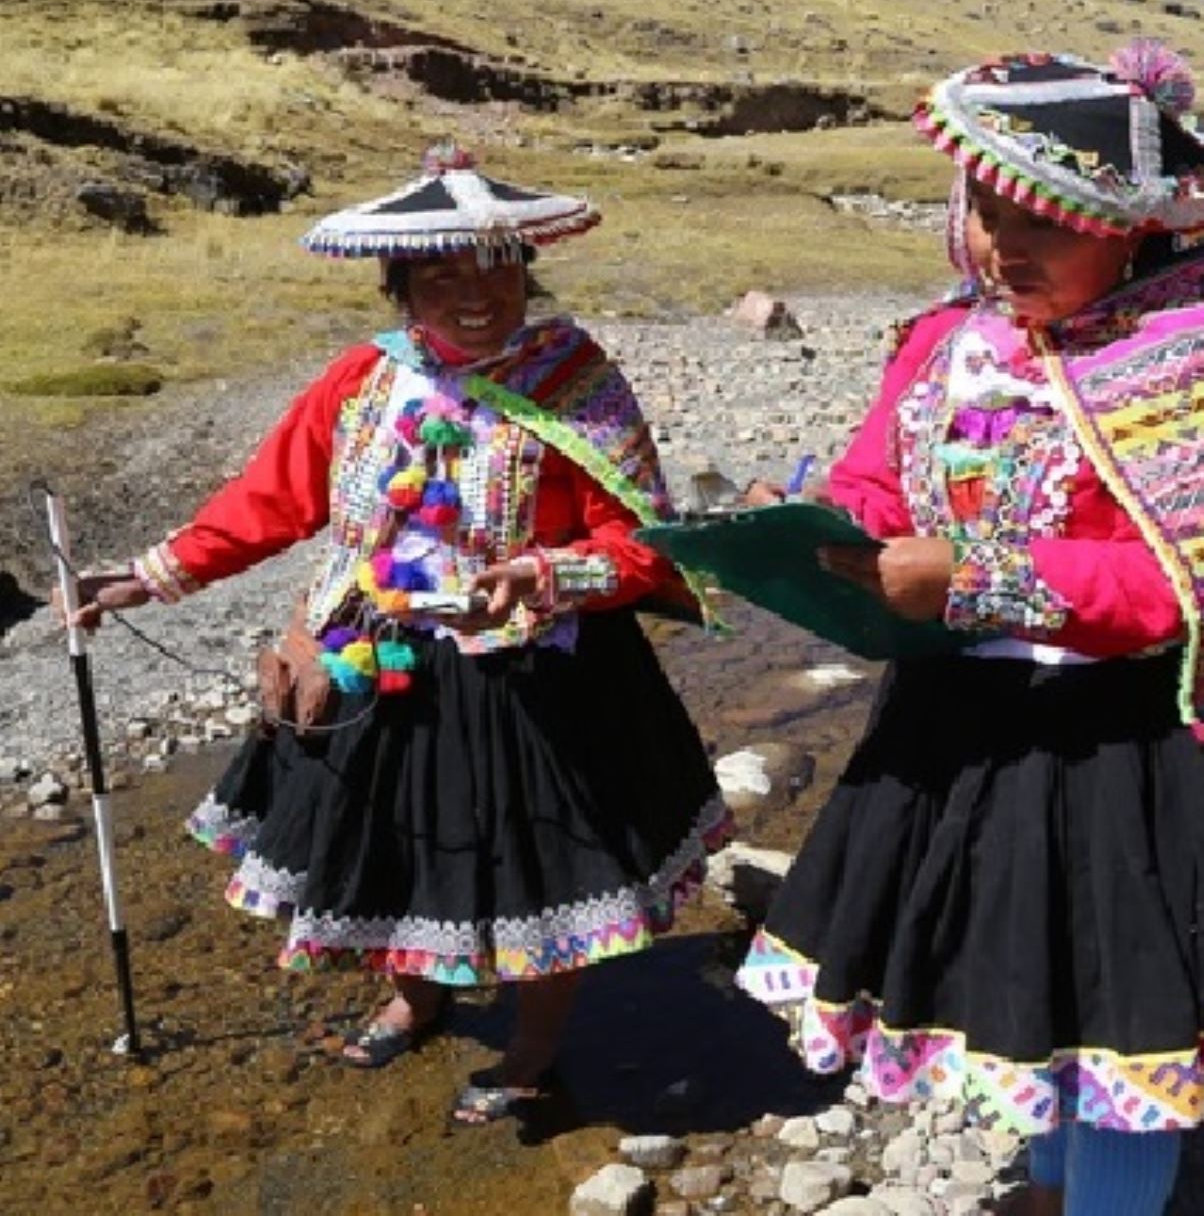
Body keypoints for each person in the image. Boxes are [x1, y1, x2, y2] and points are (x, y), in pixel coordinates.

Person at [735, 44, 1204, 1215]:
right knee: (1031, 1002)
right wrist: (813, 535)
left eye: (1048, 219)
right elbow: (877, 484)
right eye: (988, 210)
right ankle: (1049, 1190)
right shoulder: (946, 341)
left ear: (1132, 225)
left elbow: (1174, 583)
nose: (1005, 245)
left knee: (1124, 1035)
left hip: (1133, 745)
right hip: (966, 725)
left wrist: (973, 574)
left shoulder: (1200, 353)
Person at [62, 145, 726, 1126]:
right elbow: (272, 500)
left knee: (547, 874)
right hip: (384, 663)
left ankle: (534, 1048)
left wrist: (545, 573)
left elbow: (637, 539)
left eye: (495, 265)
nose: (476, 292)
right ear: (402, 282)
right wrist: (149, 576)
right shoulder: (366, 378)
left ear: (524, 268)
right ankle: (419, 994)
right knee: (405, 854)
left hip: (539, 679)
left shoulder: (575, 379)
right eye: (444, 272)